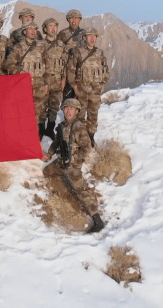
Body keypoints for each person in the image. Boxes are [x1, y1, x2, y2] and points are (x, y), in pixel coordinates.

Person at [44, 98, 104, 233]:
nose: (69, 111)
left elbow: (86, 148)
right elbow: (56, 144)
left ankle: (97, 219)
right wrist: (49, 154)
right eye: (66, 108)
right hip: (62, 161)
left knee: (81, 189)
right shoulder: (62, 126)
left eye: (72, 109)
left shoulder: (79, 127)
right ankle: (64, 188)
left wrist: (74, 161)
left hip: (72, 165)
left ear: (77, 111)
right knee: (47, 172)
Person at [65, 27, 108, 143]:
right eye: (89, 36)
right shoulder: (78, 52)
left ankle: (90, 137)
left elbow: (105, 69)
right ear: (85, 38)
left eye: (94, 36)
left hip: (95, 91)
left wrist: (103, 83)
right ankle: (79, 138)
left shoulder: (99, 53)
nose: (92, 38)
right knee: (80, 115)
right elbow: (70, 69)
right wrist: (74, 84)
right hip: (82, 90)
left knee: (93, 115)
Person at [4, 21, 48, 138]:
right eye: (30, 29)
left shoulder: (41, 46)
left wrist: (46, 83)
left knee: (39, 114)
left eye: (35, 29)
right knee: (23, 113)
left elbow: (47, 65)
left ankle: (36, 141)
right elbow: (9, 64)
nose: (33, 31)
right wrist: (19, 72)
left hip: (39, 86)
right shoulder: (18, 47)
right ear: (25, 31)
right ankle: (24, 139)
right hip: (24, 86)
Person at [41, 18, 66, 138]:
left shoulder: (61, 44)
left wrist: (64, 78)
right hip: (44, 82)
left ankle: (50, 129)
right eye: (50, 26)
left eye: (54, 26)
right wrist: (43, 82)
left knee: (54, 107)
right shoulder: (41, 45)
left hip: (57, 81)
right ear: (45, 29)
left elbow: (66, 62)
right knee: (41, 107)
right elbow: (38, 64)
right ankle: (40, 131)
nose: (53, 28)